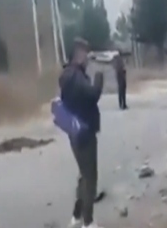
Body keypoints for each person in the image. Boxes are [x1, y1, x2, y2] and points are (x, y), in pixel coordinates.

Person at [60, 38, 104, 228]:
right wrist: (99, 75)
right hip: (84, 132)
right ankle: (88, 221)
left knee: (83, 174)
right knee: (90, 177)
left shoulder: (67, 75)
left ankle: (77, 216)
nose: (87, 57)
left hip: (75, 130)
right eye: (85, 53)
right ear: (77, 55)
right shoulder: (76, 77)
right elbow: (93, 95)